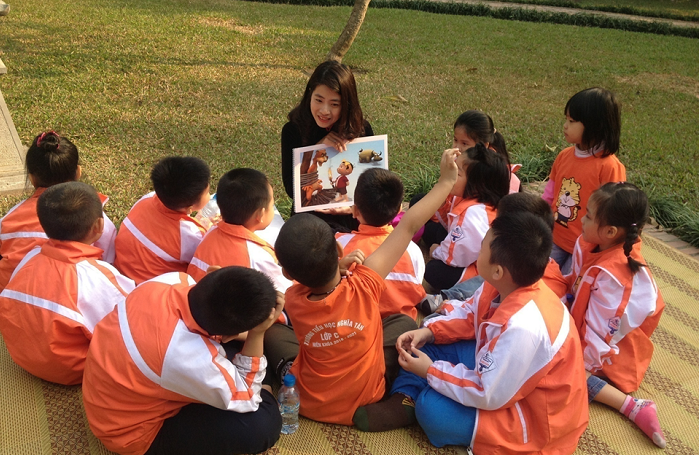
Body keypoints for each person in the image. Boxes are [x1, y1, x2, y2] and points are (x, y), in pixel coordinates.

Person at [354, 211, 589, 455]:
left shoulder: (524, 327)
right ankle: (405, 398)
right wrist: (430, 332)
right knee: (424, 341)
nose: (478, 248)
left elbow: (487, 393)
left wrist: (431, 371)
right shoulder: (502, 284)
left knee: (432, 410)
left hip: (530, 418)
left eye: (483, 245)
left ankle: (417, 396)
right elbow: (469, 314)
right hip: (501, 375)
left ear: (498, 271)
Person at [265, 148, 459, 426]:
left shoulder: (293, 298)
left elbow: (313, 292)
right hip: (365, 397)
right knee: (404, 322)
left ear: (286, 272)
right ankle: (396, 395)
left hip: (309, 400)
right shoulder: (365, 284)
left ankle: (284, 371)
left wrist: (339, 269)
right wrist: (446, 182)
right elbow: (408, 226)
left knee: (274, 331)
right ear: (337, 250)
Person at [82, 267, 284, 455]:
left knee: (239, 356)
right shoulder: (185, 353)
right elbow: (248, 399)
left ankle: (253, 375)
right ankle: (261, 382)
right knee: (263, 424)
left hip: (122, 389)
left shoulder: (172, 280)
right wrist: (257, 334)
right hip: (130, 431)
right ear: (227, 336)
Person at [0, 182, 135, 385]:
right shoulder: (98, 277)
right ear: (99, 226)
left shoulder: (30, 257)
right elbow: (127, 321)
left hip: (21, 355)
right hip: (72, 370)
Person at [568, 182, 666, 447]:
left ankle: (632, 406)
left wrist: (574, 365)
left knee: (556, 368)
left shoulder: (616, 279)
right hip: (584, 328)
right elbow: (575, 283)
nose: (581, 219)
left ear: (610, 232)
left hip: (612, 355)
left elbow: (602, 338)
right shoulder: (592, 243)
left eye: (589, 216)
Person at [0, 131, 117, 289]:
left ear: (32, 178)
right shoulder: (96, 219)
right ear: (78, 172)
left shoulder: (10, 218)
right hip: (68, 295)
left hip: (9, 295)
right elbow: (109, 263)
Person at [420, 192, 568, 315]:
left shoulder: (521, 298)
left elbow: (479, 320)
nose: (491, 228)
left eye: (497, 226)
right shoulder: (523, 268)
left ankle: (447, 298)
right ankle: (447, 298)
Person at [281, 60, 374, 232]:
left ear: (347, 104)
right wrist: (317, 149)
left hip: (351, 217)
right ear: (310, 95)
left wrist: (353, 208)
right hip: (310, 217)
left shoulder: (360, 130)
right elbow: (291, 189)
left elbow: (372, 183)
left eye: (334, 104)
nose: (324, 110)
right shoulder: (293, 130)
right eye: (319, 100)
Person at [543, 87, 626, 274]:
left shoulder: (610, 167)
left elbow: (614, 213)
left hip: (586, 248)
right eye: (566, 119)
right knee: (541, 279)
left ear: (595, 125)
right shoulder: (564, 156)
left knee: (569, 286)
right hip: (554, 239)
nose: (565, 125)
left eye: (572, 121)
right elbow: (549, 194)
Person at [335, 168, 425, 320]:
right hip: (401, 327)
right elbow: (416, 289)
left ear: (355, 211)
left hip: (356, 326)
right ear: (399, 210)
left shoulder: (339, 245)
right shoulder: (412, 250)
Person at [421, 110, 519, 249]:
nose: (457, 147)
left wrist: (445, 180)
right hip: (457, 219)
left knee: (429, 229)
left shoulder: (493, 174)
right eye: (455, 140)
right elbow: (450, 201)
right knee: (419, 203)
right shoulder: (466, 161)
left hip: (473, 233)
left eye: (465, 143)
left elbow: (472, 218)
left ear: (484, 145)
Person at [188, 168, 292, 295]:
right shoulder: (258, 255)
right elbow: (287, 290)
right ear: (260, 215)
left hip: (198, 297)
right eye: (271, 205)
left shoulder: (210, 231)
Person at [423, 143, 510, 292]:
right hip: (473, 250)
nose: (451, 174)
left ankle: (468, 290)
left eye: (457, 173)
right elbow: (445, 218)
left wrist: (436, 251)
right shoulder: (474, 197)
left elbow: (456, 258)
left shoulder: (472, 215)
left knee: (433, 271)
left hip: (481, 272)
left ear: (476, 186)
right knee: (432, 229)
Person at [114, 156, 210, 284]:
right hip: (148, 288)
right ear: (191, 207)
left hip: (119, 272)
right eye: (207, 192)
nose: (210, 195)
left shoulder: (146, 199)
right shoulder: (189, 234)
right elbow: (199, 261)